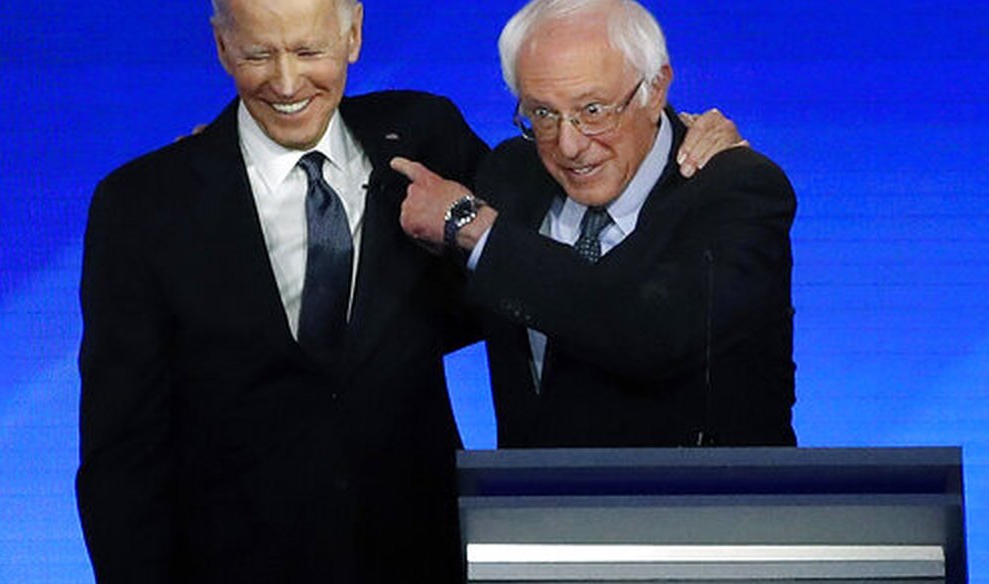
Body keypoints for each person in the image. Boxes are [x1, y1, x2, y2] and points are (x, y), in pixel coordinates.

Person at [76, 0, 487, 581]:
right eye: (258, 54)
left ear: (353, 35)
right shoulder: (144, 206)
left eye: (309, 51)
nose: (287, 83)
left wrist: (663, 132)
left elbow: (545, 232)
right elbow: (122, 454)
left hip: (420, 556)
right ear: (222, 48)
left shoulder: (425, 138)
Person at [394, 0, 797, 448]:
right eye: (543, 114)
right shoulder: (508, 175)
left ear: (656, 88)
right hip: (529, 511)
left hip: (702, 510)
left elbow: (647, 331)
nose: (569, 145)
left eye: (593, 111)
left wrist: (478, 230)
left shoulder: (736, 190)